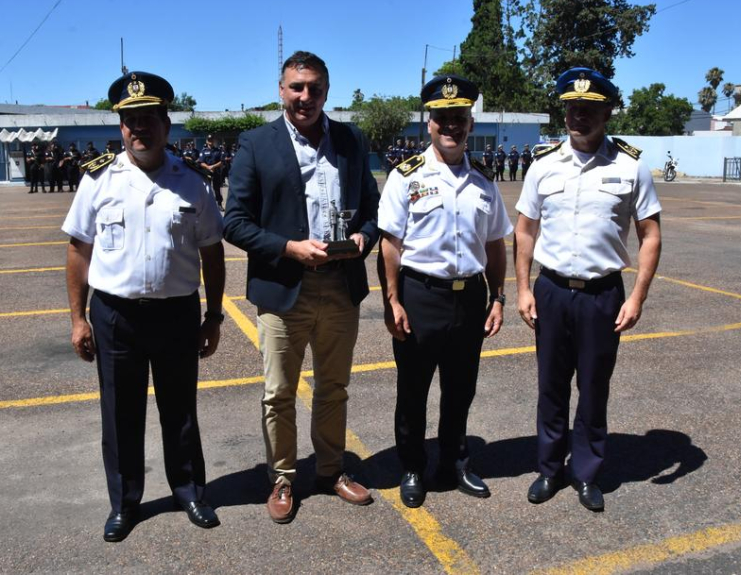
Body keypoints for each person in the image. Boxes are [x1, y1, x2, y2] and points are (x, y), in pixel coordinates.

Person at [62, 71, 226, 541]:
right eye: (130, 120)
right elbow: (79, 251)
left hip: (176, 314)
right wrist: (78, 319)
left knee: (181, 410)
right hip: (116, 316)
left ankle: (190, 490)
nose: (140, 129)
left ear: (166, 124)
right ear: (120, 128)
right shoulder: (97, 181)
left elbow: (212, 252)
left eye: (148, 119)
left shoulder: (192, 182)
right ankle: (125, 502)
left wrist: (213, 316)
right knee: (120, 413)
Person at [223, 50, 380, 524]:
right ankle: (284, 478)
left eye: (314, 88)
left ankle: (331, 471)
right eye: (296, 87)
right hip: (283, 288)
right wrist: (289, 248)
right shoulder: (256, 144)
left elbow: (373, 213)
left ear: (326, 91)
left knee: (334, 388)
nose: (305, 97)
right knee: (279, 393)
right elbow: (235, 222)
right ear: (281, 90)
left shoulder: (351, 140)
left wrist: (362, 239)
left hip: (339, 287)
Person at [514, 67, 662, 512]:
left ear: (607, 112)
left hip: (603, 295)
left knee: (594, 387)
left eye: (590, 109)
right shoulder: (542, 166)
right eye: (572, 108)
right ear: (564, 113)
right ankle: (548, 469)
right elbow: (524, 231)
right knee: (551, 386)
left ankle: (586, 473)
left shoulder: (631, 166)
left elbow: (650, 235)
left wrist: (637, 297)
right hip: (552, 291)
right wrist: (523, 289)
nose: (580, 116)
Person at [377, 75, 512, 508]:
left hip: (470, 298)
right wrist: (392, 300)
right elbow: (390, 246)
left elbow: (495, 244)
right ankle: (414, 466)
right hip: (421, 296)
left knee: (461, 388)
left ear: (470, 122)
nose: (450, 126)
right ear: (429, 123)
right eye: (442, 119)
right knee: (413, 390)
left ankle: (454, 463)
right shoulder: (405, 176)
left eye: (459, 119)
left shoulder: (485, 181)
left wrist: (498, 297)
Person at [197, 137, 224, 209]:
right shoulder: (203, 151)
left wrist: (213, 166)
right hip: (206, 172)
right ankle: (206, 205)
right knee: (206, 188)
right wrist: (208, 167)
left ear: (214, 141)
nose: (210, 141)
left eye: (211, 140)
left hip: (216, 172)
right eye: (209, 140)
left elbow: (222, 162)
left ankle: (219, 204)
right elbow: (201, 162)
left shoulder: (218, 151)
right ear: (206, 141)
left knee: (217, 188)